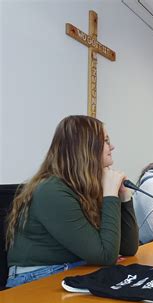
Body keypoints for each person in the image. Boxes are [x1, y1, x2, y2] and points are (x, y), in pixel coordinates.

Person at [5, 115, 138, 288]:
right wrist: (110, 195)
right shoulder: (51, 190)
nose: (112, 146)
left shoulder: (85, 186)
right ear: (84, 147)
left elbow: (128, 248)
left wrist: (124, 197)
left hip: (71, 268)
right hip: (35, 279)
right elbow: (106, 256)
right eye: (105, 141)